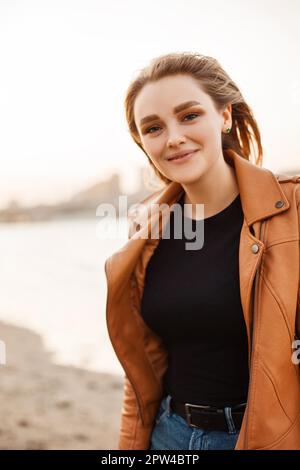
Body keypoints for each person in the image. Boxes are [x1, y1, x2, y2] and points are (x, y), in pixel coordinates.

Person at [104, 52, 300, 450]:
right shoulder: (147, 227)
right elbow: (142, 371)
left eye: (189, 115)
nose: (173, 137)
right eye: (154, 127)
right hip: (168, 435)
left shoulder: (294, 211)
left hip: (261, 437)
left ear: (225, 116)